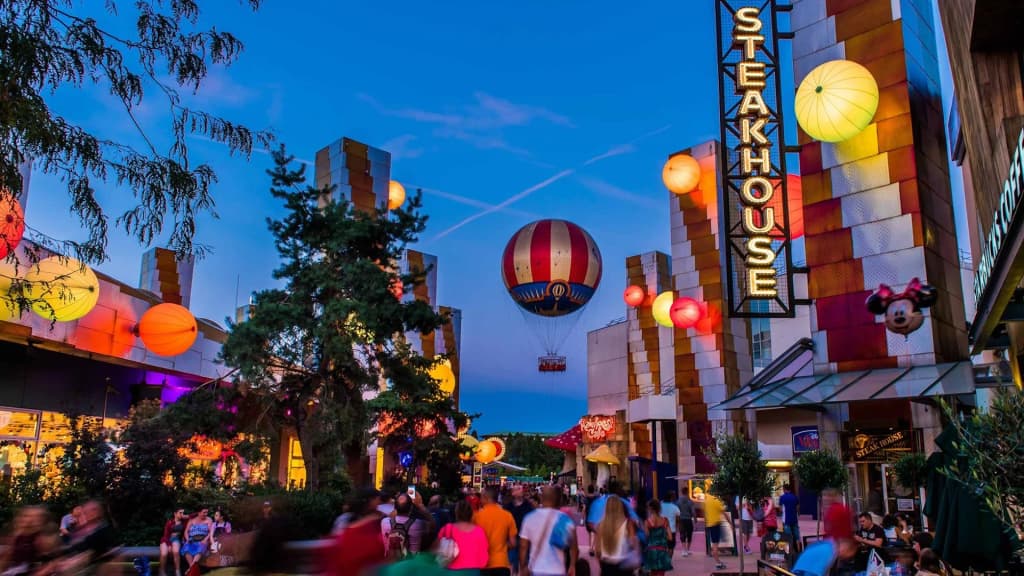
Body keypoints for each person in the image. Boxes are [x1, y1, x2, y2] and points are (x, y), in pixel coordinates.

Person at [519, 486, 578, 576]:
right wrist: (572, 565)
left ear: (541, 498)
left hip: (536, 569)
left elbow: (523, 546)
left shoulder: (529, 518)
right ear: (557, 499)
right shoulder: (565, 519)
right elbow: (574, 547)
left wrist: (523, 566)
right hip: (558, 570)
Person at [329, 488, 386, 576]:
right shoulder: (348, 521)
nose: (380, 503)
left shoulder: (378, 520)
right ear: (370, 501)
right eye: (378, 499)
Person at [0, 506, 59, 576]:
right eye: (25, 516)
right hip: (16, 570)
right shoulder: (18, 536)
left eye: (35, 517)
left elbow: (52, 563)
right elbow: (6, 557)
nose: (29, 520)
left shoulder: (43, 537)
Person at [475, 485, 519, 576]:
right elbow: (513, 543)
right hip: (502, 563)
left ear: (485, 498)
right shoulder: (507, 515)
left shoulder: (477, 517)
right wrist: (502, 547)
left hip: (484, 564)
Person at [441, 500, 490, 573]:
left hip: (450, 571)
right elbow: (484, 558)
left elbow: (439, 551)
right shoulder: (479, 531)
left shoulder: (447, 529)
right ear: (471, 514)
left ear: (456, 513)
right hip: (472, 571)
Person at [593, 496, 637, 576]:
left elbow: (598, 550)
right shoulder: (628, 524)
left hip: (606, 566)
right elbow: (633, 545)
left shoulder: (600, 526)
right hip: (624, 566)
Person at [382, 493, 431, 559]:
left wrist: (398, 506)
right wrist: (419, 505)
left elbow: (392, 515)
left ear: (395, 507)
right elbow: (433, 525)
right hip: (410, 564)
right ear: (411, 508)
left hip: (390, 564)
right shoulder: (419, 523)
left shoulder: (384, 522)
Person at [504, 485, 534, 575]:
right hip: (512, 539)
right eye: (518, 489)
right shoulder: (508, 507)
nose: (521, 490)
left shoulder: (528, 506)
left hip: (525, 539)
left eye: (521, 488)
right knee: (512, 564)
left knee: (525, 563)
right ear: (513, 493)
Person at [791, 537, 858, 576]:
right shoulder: (829, 552)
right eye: (849, 553)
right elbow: (814, 572)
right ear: (846, 548)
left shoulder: (830, 545)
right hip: (805, 572)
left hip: (802, 569)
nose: (847, 557)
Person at [642, 499, 673, 576]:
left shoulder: (647, 522)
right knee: (661, 573)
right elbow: (670, 538)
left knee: (653, 573)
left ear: (650, 509)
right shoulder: (665, 520)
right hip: (662, 550)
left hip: (651, 551)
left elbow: (646, 536)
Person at [159, 508, 187, 576]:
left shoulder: (184, 521)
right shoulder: (170, 522)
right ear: (175, 513)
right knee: (164, 553)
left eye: (183, 513)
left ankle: (177, 570)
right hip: (166, 540)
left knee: (176, 551)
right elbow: (166, 535)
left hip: (176, 539)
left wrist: (186, 516)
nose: (182, 514)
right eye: (180, 513)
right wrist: (169, 545)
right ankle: (161, 571)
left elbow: (194, 515)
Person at [705, 493, 727, 571]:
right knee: (715, 545)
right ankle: (718, 563)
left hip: (710, 524)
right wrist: (730, 523)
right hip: (715, 524)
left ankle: (718, 562)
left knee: (715, 544)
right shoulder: (716, 500)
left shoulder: (707, 499)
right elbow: (724, 513)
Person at [659, 492, 681, 557]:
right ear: (671, 498)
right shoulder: (674, 507)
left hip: (661, 529)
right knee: (671, 547)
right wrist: (678, 527)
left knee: (662, 546)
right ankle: (668, 561)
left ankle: (663, 560)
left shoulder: (660, 506)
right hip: (671, 530)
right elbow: (678, 519)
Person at [677, 490, 696, 557]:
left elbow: (677, 511)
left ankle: (684, 550)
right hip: (688, 520)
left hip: (681, 520)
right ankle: (688, 549)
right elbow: (693, 512)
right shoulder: (690, 501)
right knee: (689, 534)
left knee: (682, 534)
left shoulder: (678, 502)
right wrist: (695, 519)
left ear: (682, 492)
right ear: (687, 493)